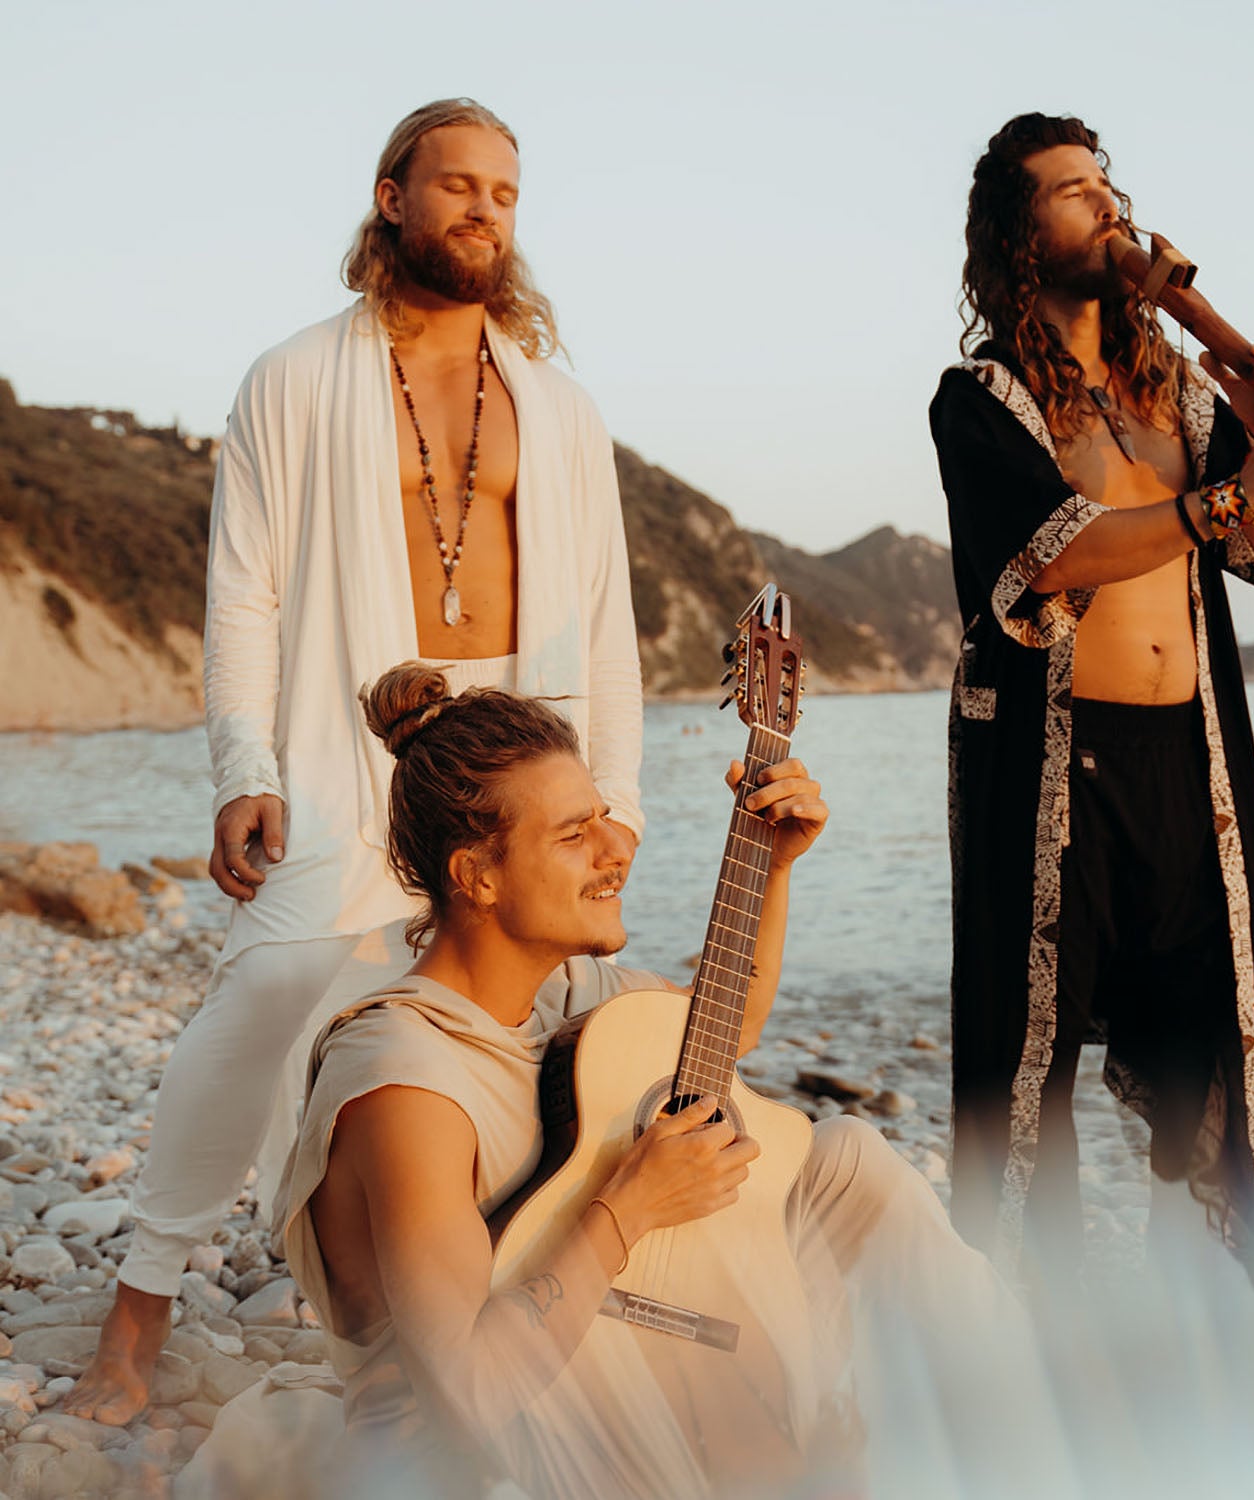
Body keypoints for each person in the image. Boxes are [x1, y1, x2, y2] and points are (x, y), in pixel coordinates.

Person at [68, 98, 644, 1426]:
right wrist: (241, 767)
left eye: (505, 192)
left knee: (566, 1029)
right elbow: (246, 596)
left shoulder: (559, 409)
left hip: (527, 746)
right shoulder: (290, 378)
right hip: (347, 731)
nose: (483, 211)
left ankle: (519, 1307)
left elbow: (604, 620)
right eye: (456, 186)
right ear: (390, 196)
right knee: (273, 982)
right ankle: (139, 1313)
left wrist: (609, 807)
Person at [267, 663, 1026, 1499]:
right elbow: (471, 1399)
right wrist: (629, 1207)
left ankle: (1028, 1407)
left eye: (605, 818)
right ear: (477, 876)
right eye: (573, 835)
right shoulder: (406, 1086)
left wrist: (770, 869)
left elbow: (719, 1032)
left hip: (608, 1345)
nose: (618, 848)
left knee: (844, 1154)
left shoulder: (557, 992)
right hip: (486, 1453)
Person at [929, 113, 1254, 1283]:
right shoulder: (981, 396)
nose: (1104, 203)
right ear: (1021, 237)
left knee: (1217, 1041)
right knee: (1027, 1059)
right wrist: (1229, 498)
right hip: (1047, 764)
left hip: (1193, 759)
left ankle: (1232, 1306)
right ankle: (1019, 1316)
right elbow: (1053, 553)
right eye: (1070, 191)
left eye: (1105, 182)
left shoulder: (1177, 385)